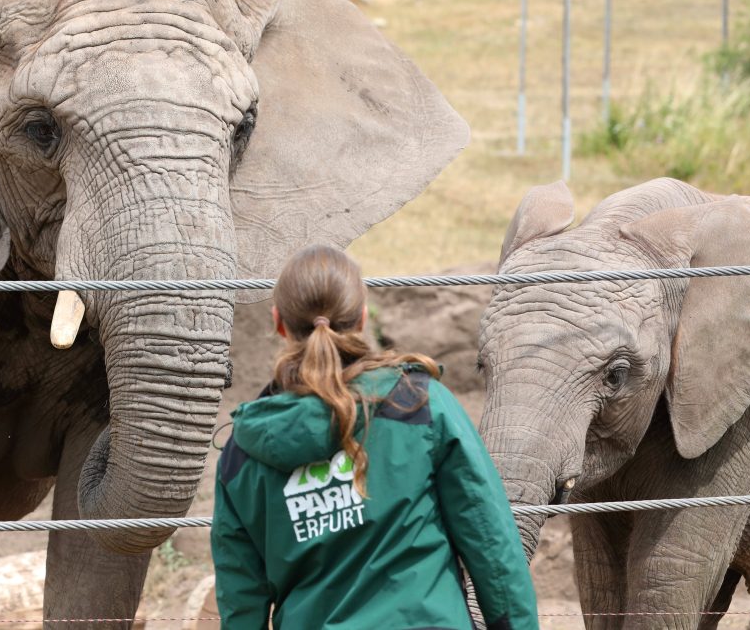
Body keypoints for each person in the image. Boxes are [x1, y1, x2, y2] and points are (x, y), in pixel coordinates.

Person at [211, 244, 540, 630]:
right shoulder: (419, 404)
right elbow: (492, 545)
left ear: (279, 323)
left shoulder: (242, 453)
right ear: (363, 316)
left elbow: (241, 604)